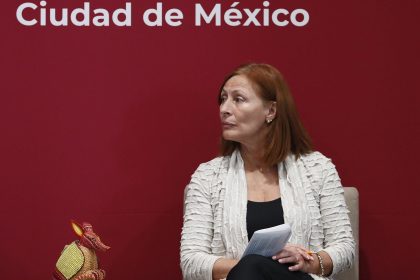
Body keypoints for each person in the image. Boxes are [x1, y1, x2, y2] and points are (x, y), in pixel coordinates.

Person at [180, 63, 355, 280]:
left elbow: (345, 249)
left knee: (253, 267)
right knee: (251, 267)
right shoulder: (207, 176)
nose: (224, 109)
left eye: (238, 99)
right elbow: (191, 260)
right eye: (223, 98)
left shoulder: (318, 169)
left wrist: (307, 261)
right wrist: (256, 268)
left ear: (270, 111)